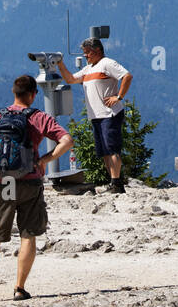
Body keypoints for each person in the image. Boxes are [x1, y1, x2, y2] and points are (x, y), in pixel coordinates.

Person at [0, 73, 71, 303]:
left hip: (2, 183)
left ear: (14, 93)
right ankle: (19, 288)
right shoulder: (38, 117)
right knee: (27, 235)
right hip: (29, 182)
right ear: (33, 95)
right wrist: (44, 160)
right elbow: (66, 141)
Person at [56, 38, 133, 193]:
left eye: (88, 52)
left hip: (109, 114)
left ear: (97, 50)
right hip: (96, 116)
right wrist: (60, 64)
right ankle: (112, 181)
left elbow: (127, 76)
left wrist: (118, 97)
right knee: (104, 151)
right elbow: (70, 79)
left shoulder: (107, 63)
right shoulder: (88, 69)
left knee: (112, 149)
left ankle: (117, 183)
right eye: (84, 53)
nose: (85, 56)